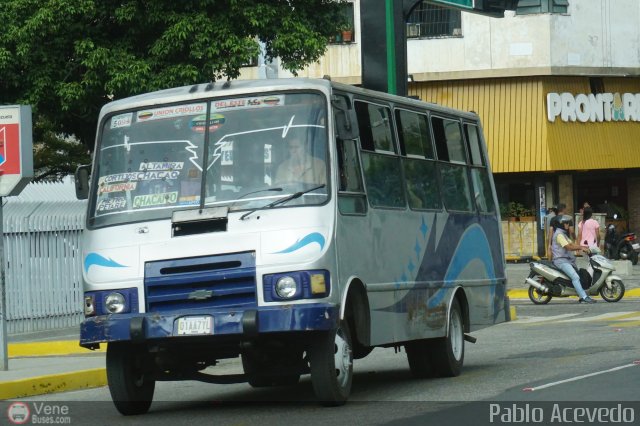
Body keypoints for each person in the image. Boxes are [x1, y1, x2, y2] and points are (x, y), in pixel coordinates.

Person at [552, 215, 595, 304]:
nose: (568, 225)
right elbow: (568, 247)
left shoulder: (563, 234)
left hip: (566, 260)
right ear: (561, 225)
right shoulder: (559, 235)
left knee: (577, 276)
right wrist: (581, 248)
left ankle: (581, 294)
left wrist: (584, 247)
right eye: (566, 223)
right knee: (575, 277)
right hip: (561, 261)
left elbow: (572, 244)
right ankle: (583, 297)